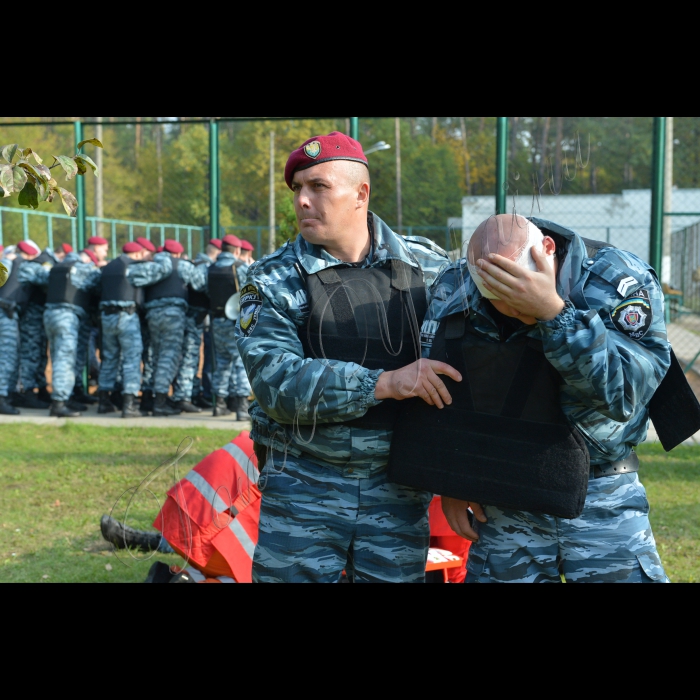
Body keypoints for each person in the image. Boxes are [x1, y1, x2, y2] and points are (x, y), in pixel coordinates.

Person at [391, 214, 672, 584]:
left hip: (602, 495)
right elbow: (454, 387)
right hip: (506, 494)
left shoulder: (617, 283)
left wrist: (553, 315)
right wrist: (456, 481)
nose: (510, 308)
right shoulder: (458, 283)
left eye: (518, 294)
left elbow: (623, 397)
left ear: (547, 250)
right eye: (497, 298)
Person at [237, 132, 455, 583]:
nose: (302, 200)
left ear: (361, 194)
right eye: (297, 188)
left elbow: (463, 369)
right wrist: (385, 383)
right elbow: (276, 382)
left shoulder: (428, 269)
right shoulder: (273, 279)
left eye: (318, 186)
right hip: (303, 485)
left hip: (400, 487)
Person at [98, 242, 173, 418]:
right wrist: (161, 256)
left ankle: (103, 401)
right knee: (131, 359)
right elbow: (163, 270)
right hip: (126, 316)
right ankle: (129, 404)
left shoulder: (108, 267)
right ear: (138, 254)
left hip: (106, 316)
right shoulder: (132, 268)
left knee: (109, 359)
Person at [29, 247, 102, 417]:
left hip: (50, 314)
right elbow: (98, 284)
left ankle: (64, 398)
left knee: (57, 357)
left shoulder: (55, 268)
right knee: (65, 359)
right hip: (67, 316)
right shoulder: (84, 268)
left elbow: (40, 279)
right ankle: (59, 403)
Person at [140, 239, 206, 417]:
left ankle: (151, 397)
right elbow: (200, 284)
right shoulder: (181, 265)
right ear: (177, 254)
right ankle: (160, 402)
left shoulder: (152, 264)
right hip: (173, 314)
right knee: (169, 357)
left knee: (155, 355)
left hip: (152, 314)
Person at [171, 240, 222, 414]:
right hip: (192, 317)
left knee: (192, 357)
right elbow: (199, 285)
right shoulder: (203, 265)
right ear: (217, 252)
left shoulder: (201, 264)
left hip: (194, 317)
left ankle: (192, 393)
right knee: (189, 357)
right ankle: (183, 398)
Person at [16, 244, 63, 409]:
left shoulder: (48, 261)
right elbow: (44, 278)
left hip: (39, 316)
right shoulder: (42, 262)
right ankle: (28, 392)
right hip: (31, 318)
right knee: (30, 355)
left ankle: (41, 389)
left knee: (41, 355)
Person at [208, 235, 250, 419]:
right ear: (237, 251)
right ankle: (241, 408)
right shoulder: (239, 267)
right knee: (241, 363)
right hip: (236, 321)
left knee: (222, 363)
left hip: (217, 320)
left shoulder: (210, 268)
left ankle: (219, 405)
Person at [0, 241, 42, 415]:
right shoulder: (13, 263)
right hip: (4, 313)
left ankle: (9, 395)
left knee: (12, 357)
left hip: (9, 314)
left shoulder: (12, 262)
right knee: (6, 358)